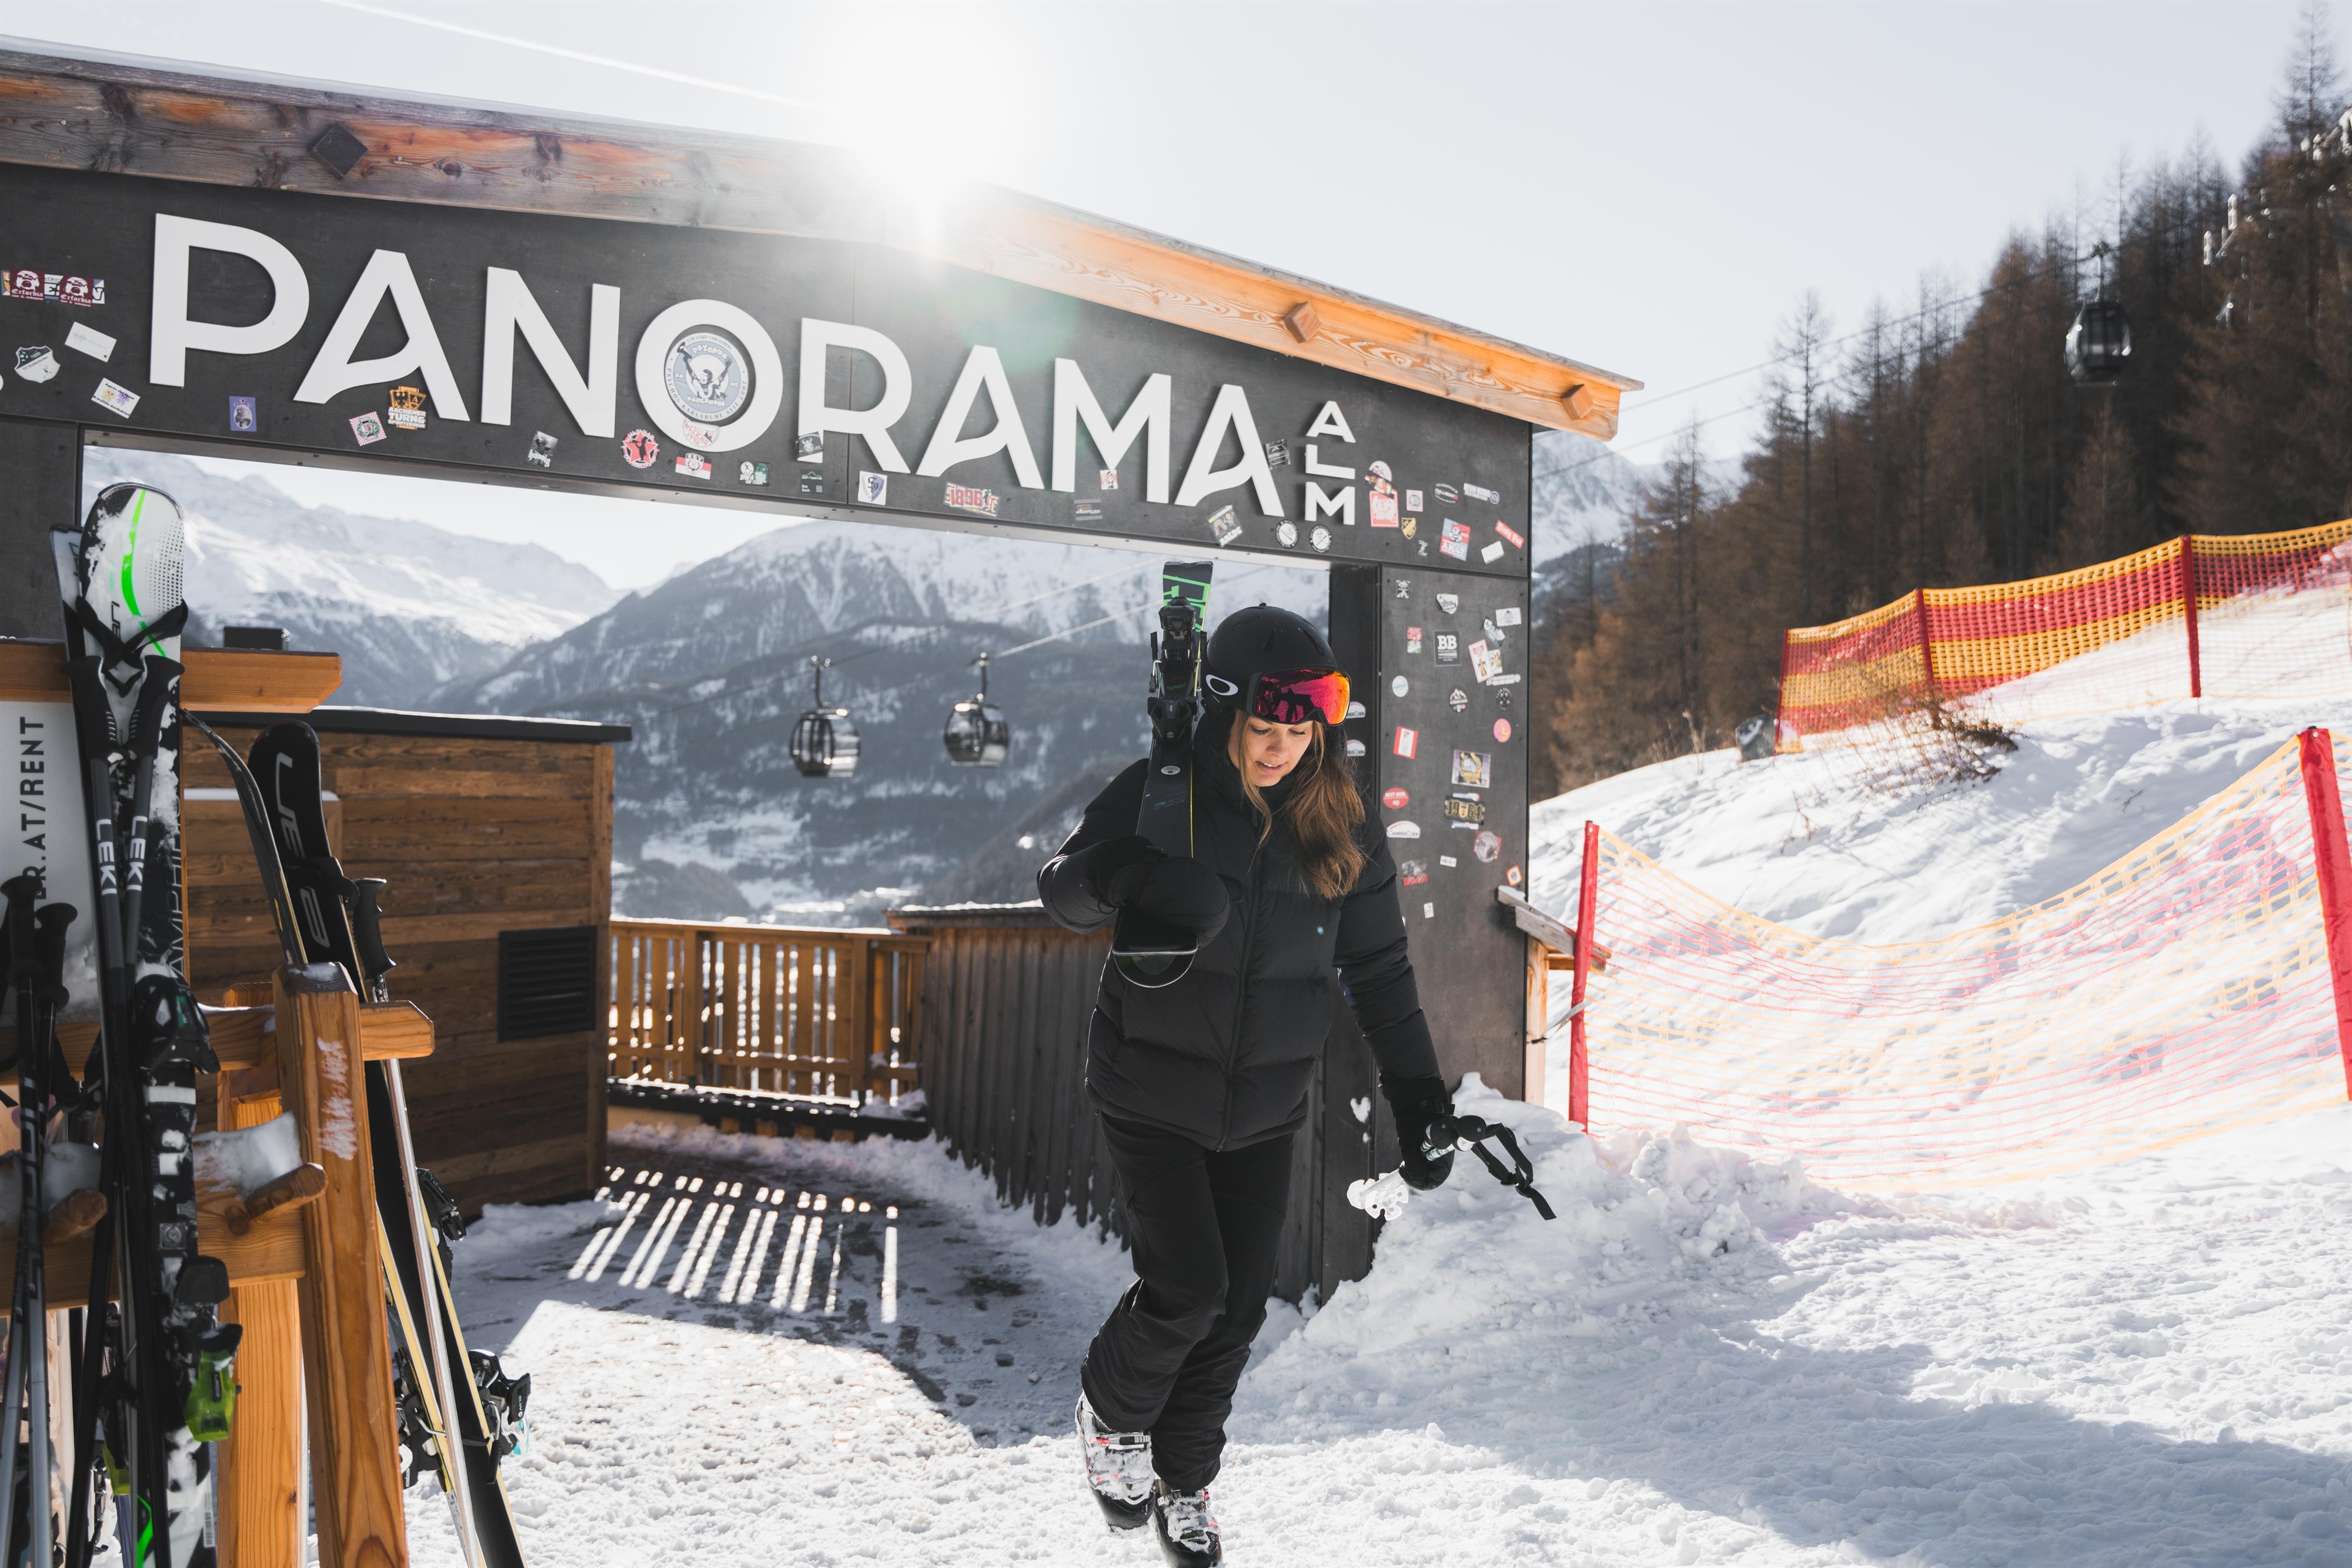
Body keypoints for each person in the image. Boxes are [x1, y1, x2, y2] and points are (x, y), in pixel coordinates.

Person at [1037, 603, 1457, 1567]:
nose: (1278, 749)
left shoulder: (1344, 824)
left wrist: (1421, 1099)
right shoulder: (1165, 792)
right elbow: (1061, 890)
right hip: (1150, 1085)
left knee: (1236, 1313)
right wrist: (1126, 874)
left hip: (1266, 1106)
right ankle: (1112, 1414)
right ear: (1224, 715)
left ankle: (1186, 1483)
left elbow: (1380, 970)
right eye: (1261, 728)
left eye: (1297, 732)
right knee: (1188, 1289)